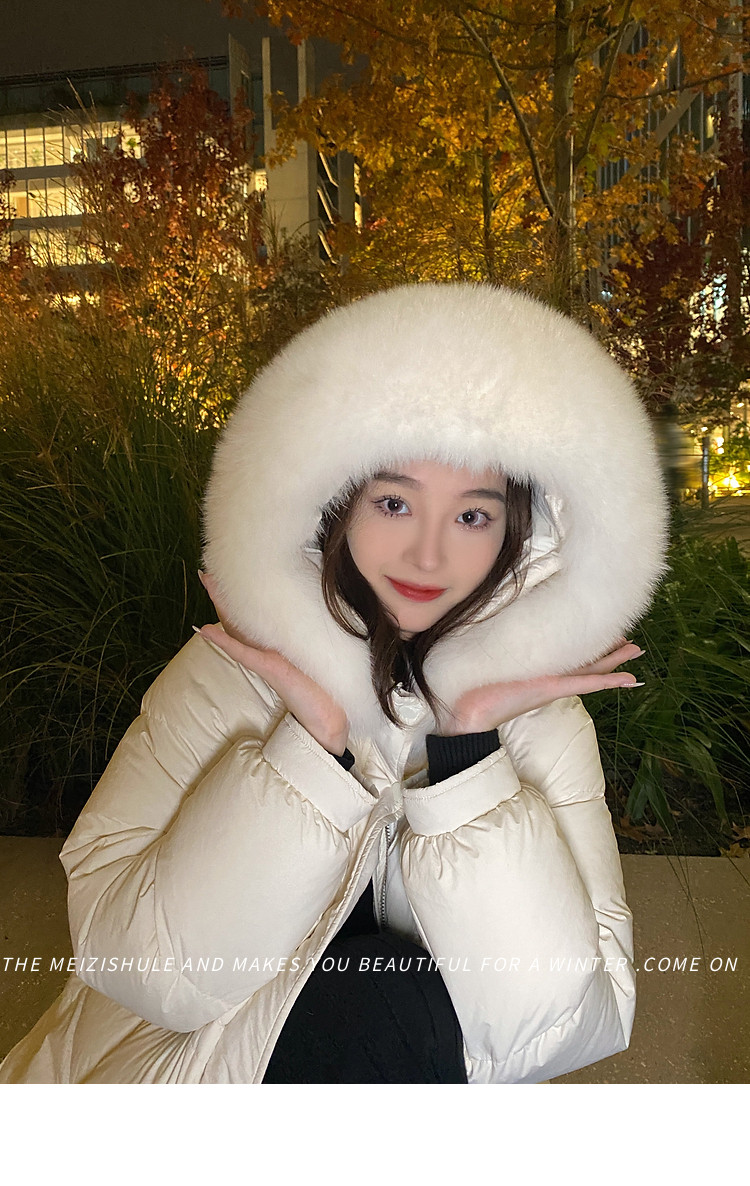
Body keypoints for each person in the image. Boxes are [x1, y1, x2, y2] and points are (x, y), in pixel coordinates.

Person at [0, 282, 669, 1084]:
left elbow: (564, 1026)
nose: (428, 555)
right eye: (394, 502)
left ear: (517, 533)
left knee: (399, 1003)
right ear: (337, 502)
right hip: (179, 1076)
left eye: (472, 516)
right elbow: (142, 970)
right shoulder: (235, 671)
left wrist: (469, 751)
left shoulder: (537, 720)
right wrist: (310, 751)